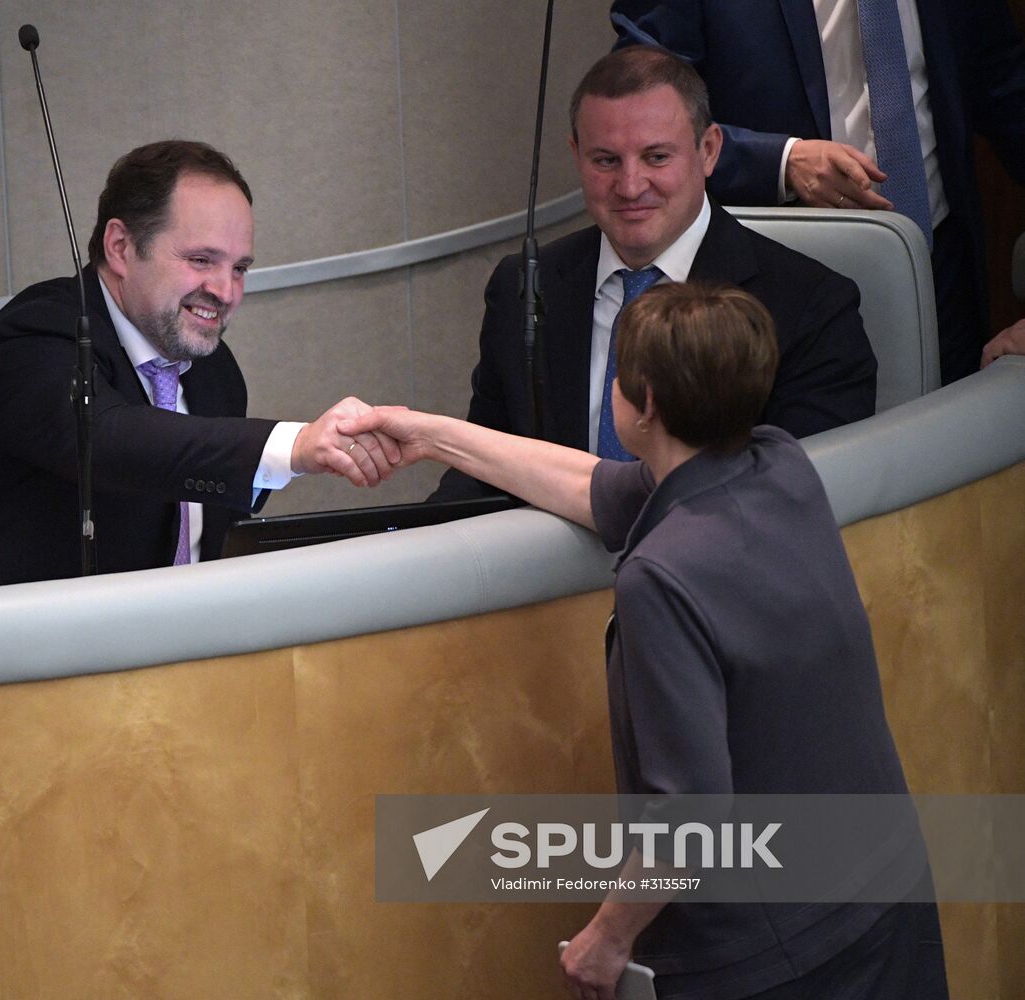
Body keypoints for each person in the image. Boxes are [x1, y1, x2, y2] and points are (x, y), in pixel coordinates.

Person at [342, 282, 946, 1000]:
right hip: (890, 898)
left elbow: (688, 813)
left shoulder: (660, 576)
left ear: (645, 403)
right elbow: (591, 485)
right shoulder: (777, 466)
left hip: (774, 962)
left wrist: (607, 937)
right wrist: (432, 435)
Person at [0, 140, 400, 589]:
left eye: (240, 268)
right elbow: (113, 441)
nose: (225, 293)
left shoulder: (215, 372)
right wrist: (295, 445)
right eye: (202, 260)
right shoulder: (33, 339)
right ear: (121, 247)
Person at [433, 46, 876, 501]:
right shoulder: (524, 286)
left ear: (708, 151)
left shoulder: (811, 305)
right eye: (605, 160)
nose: (630, 186)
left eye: (656, 157)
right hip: (554, 569)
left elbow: (800, 499)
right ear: (576, 155)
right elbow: (484, 471)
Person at [611, 0, 1025, 383]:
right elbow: (640, 107)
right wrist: (781, 162)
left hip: (941, 264)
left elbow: (1005, 88)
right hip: (776, 287)